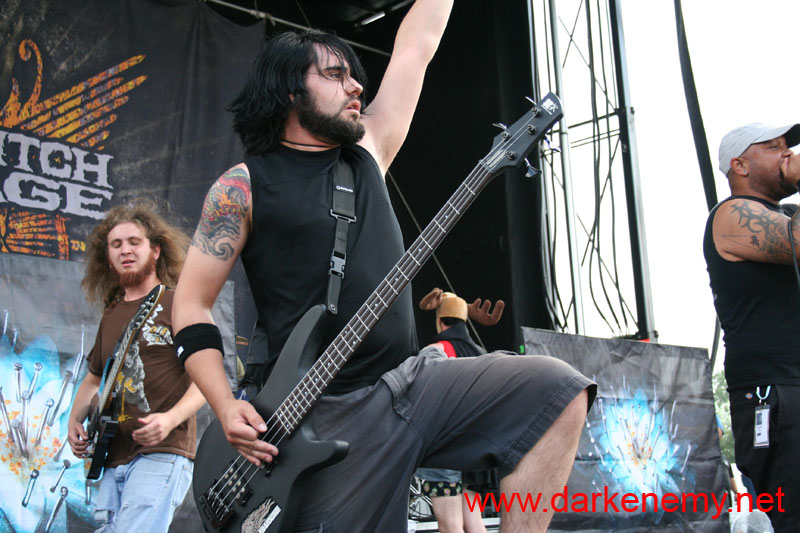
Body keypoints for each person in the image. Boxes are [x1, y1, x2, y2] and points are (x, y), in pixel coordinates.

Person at [172, 1, 596, 530]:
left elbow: (417, 44)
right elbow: (191, 305)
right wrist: (223, 404)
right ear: (289, 91)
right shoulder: (242, 186)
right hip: (315, 413)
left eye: (355, 75)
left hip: (408, 385)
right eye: (335, 75)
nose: (356, 86)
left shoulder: (367, 149)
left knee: (558, 391)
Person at [68, 201, 206, 532]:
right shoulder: (112, 313)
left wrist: (170, 419)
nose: (125, 250)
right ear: (108, 258)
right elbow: (93, 379)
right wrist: (74, 420)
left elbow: (206, 382)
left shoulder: (178, 303)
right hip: (113, 455)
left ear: (156, 250)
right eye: (116, 245)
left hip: (162, 450)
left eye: (134, 242)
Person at [704, 123, 800, 532]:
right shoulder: (732, 215)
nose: (788, 154)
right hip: (777, 389)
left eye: (788, 147)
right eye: (775, 147)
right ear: (740, 165)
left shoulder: (790, 215)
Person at [414, 288, 503, 533]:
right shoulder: (482, 355)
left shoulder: (437, 350)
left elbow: (422, 396)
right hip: (475, 453)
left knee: (449, 525)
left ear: (440, 321)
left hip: (444, 448)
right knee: (475, 523)